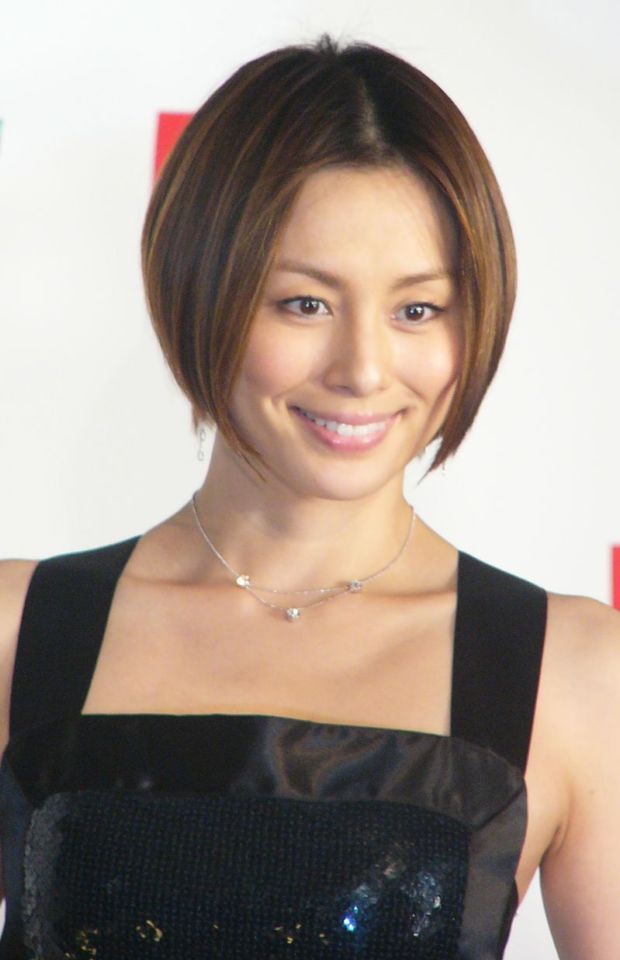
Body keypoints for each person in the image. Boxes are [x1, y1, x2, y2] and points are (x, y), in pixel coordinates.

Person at [0, 34, 618, 960]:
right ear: (199, 292)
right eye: (305, 303)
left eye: (417, 310)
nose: (363, 369)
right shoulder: (20, 632)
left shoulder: (574, 675)